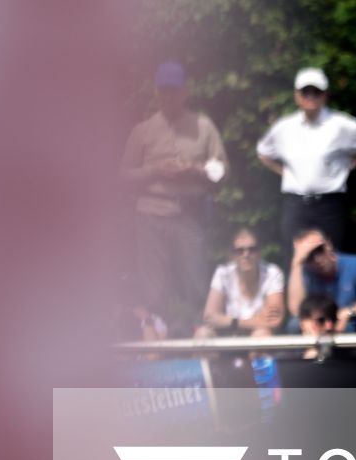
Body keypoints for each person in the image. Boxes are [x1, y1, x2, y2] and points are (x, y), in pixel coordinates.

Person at [119, 61, 227, 337]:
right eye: (164, 90)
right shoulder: (142, 130)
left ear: (185, 92)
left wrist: (195, 169)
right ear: (156, 92)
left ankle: (201, 342)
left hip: (188, 213)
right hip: (150, 213)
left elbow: (221, 172)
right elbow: (123, 175)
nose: (169, 96)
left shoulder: (203, 127)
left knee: (196, 282)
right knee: (154, 288)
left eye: (174, 90)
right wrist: (155, 170)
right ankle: (156, 343)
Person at [256, 67, 356, 253]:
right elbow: (263, 151)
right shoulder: (284, 127)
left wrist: (351, 164)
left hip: (329, 206)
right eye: (305, 91)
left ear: (325, 95)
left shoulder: (341, 125)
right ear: (297, 95)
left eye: (316, 92)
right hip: (295, 205)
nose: (311, 96)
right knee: (294, 261)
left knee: (331, 260)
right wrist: (284, 172)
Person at [287, 229, 356, 333]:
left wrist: (348, 313)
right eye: (309, 256)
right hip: (318, 328)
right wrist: (296, 264)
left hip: (352, 325)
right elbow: (296, 311)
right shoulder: (303, 273)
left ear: (329, 245)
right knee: (294, 324)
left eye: (319, 250)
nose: (317, 259)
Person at [196, 229, 285, 339]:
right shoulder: (223, 273)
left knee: (261, 335)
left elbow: (275, 321)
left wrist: (225, 320)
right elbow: (209, 317)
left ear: (259, 253)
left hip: (258, 334)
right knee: (202, 334)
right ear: (232, 255)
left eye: (252, 249)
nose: (246, 254)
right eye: (239, 251)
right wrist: (244, 322)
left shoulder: (272, 273)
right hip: (227, 335)